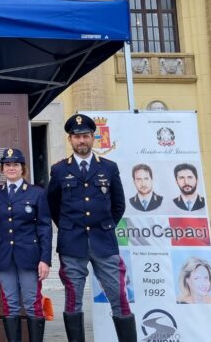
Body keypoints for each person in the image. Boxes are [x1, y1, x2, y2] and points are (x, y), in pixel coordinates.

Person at [46, 114, 135, 342]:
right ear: (70, 140)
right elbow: (53, 206)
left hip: (103, 242)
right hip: (72, 244)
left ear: (93, 138)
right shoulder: (58, 171)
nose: (81, 141)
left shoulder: (109, 167)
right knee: (73, 298)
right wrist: (67, 228)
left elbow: (118, 204)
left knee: (118, 296)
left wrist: (105, 227)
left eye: (85, 136)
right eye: (77, 137)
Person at [0, 148, 51, 342]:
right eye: (7, 164)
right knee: (11, 305)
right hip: (4, 256)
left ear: (23, 168)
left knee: (32, 304)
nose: (11, 168)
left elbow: (44, 228)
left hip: (30, 258)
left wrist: (45, 259)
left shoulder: (37, 193)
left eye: (15, 164)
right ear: (2, 168)